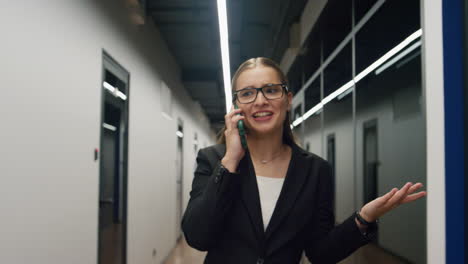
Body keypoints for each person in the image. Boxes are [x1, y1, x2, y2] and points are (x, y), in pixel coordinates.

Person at [181, 57, 426, 264]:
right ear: (236, 107)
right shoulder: (214, 160)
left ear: (288, 100)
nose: (260, 100)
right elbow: (197, 236)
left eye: (270, 89)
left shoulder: (315, 170)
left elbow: (320, 253)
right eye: (247, 93)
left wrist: (362, 219)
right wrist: (231, 159)